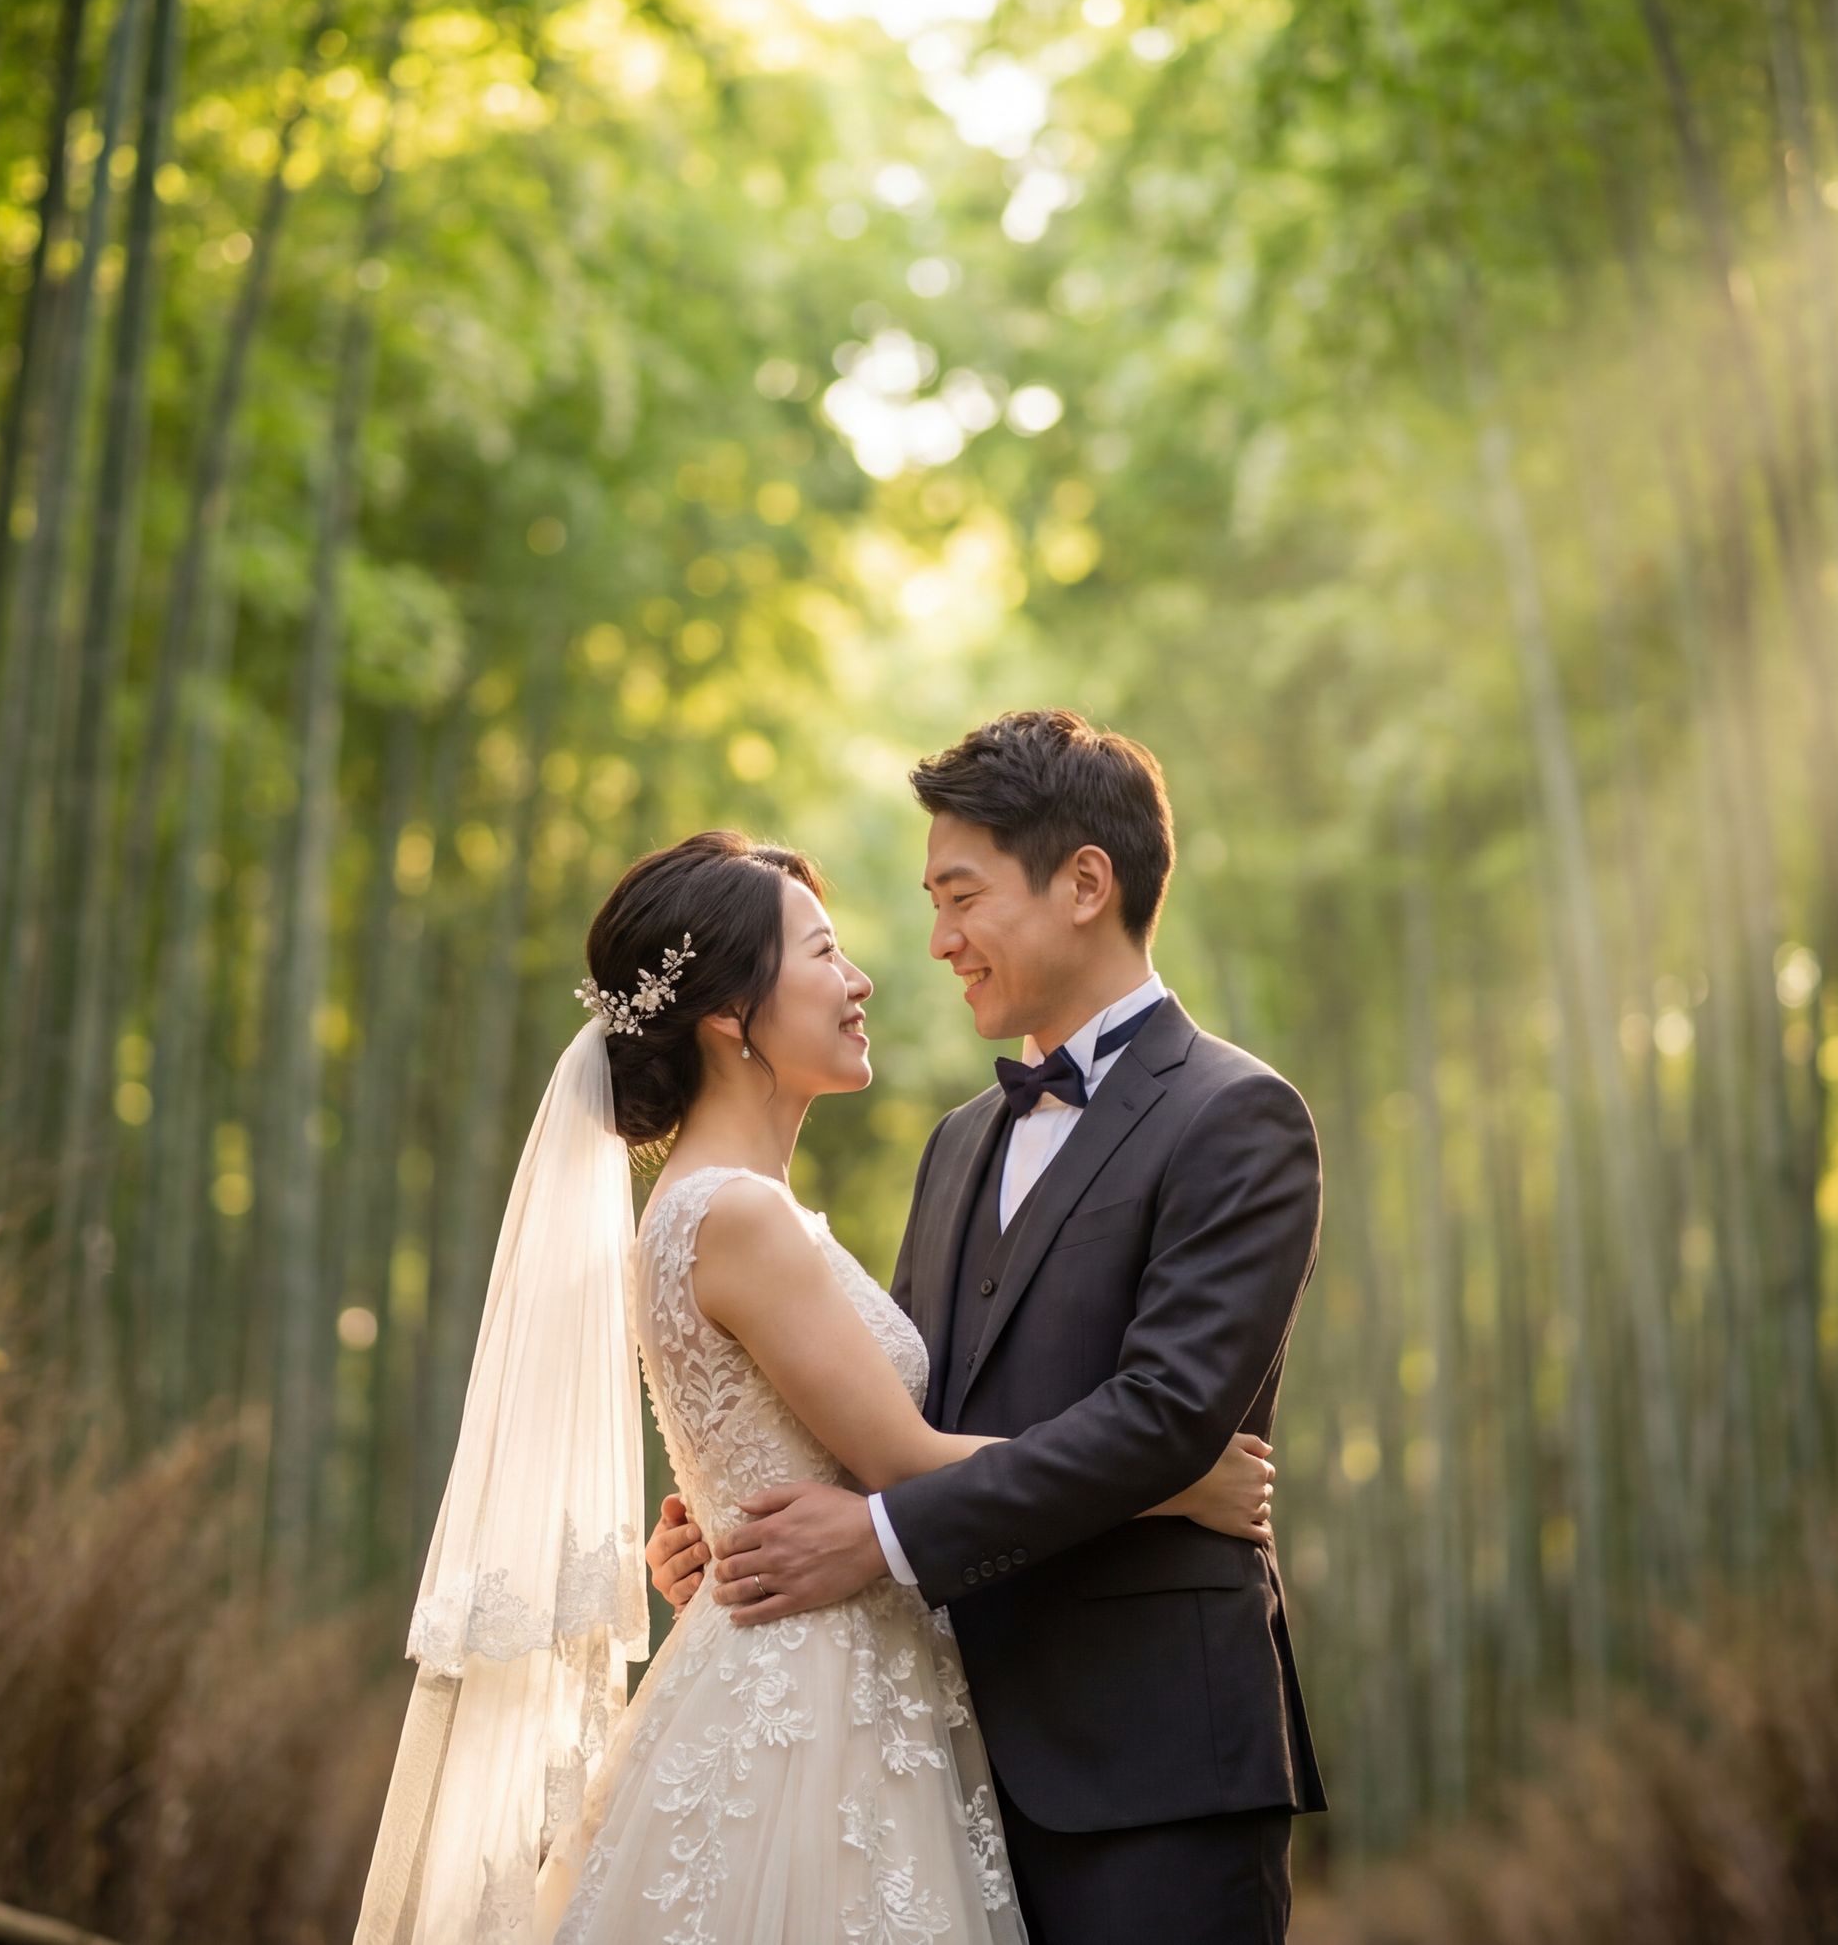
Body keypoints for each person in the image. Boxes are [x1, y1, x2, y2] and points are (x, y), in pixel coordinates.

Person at [351, 827, 1277, 1945]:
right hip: (808, 1700)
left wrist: (711, 1520)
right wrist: (1175, 1485)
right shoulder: (735, 1214)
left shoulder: (736, 1210)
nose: (864, 977)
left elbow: (839, 1443)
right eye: (825, 954)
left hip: (840, 1669)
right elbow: (901, 1461)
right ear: (732, 1015)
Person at [647, 712, 1327, 1943]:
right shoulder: (960, 1143)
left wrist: (881, 1534)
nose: (936, 942)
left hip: (1152, 1771)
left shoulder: (1239, 1117)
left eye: (961, 899)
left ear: (1084, 883)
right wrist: (728, 1515)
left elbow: (1169, 1417)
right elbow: (890, 1419)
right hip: (930, 1764)